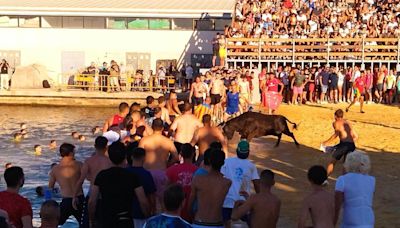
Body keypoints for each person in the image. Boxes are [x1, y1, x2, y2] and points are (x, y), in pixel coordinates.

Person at [89, 141, 149, 228]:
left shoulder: (102, 175)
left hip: (106, 220)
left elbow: (92, 201)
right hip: (125, 219)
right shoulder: (131, 176)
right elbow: (143, 201)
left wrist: (91, 220)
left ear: (109, 157)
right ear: (125, 157)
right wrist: (147, 217)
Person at [139, 118, 179, 209]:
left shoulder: (144, 140)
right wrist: (168, 164)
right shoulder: (168, 141)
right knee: (162, 202)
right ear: (162, 128)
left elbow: (139, 156)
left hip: (147, 172)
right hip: (162, 172)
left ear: (152, 127)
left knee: (147, 200)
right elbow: (176, 157)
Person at [221, 140, 260, 228]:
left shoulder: (227, 162)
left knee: (226, 224)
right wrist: (259, 198)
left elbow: (219, 178)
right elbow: (257, 184)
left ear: (237, 151)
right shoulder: (251, 166)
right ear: (248, 152)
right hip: (243, 203)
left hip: (227, 201)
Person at [72, 136, 112, 222]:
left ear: (95, 146)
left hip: (92, 193)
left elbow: (81, 180)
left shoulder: (89, 161)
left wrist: (74, 196)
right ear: (106, 147)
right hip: (107, 195)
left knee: (88, 221)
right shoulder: (110, 162)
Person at [189, 149, 231, 228]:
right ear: (223, 163)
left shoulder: (198, 179)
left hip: (199, 222)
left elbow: (191, 202)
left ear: (209, 161)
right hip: (216, 223)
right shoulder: (227, 183)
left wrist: (190, 214)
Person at [334, 151, 375, 227]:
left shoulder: (342, 179)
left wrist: (333, 223)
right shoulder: (371, 180)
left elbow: (337, 205)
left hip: (351, 219)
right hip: (368, 219)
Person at [49, 143, 84, 227]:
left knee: (55, 224)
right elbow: (91, 178)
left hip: (66, 201)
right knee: (85, 224)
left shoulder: (55, 169)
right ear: (71, 153)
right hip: (79, 199)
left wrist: (48, 203)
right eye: (74, 152)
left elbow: (49, 188)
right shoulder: (79, 165)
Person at [166, 143, 198, 222]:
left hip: (174, 211)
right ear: (193, 154)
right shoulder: (198, 171)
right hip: (192, 212)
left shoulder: (171, 170)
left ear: (181, 154)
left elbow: (166, 189)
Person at [126, 147, 156, 228]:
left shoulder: (125, 172)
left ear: (132, 157)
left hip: (125, 213)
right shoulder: (146, 174)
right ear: (144, 158)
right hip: (140, 214)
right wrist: (151, 212)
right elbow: (151, 196)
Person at [322, 109, 357, 176]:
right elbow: (354, 136)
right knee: (346, 164)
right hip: (351, 145)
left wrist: (326, 142)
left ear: (335, 116)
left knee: (332, 162)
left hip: (344, 145)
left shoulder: (336, 123)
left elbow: (336, 134)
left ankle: (324, 178)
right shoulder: (348, 123)